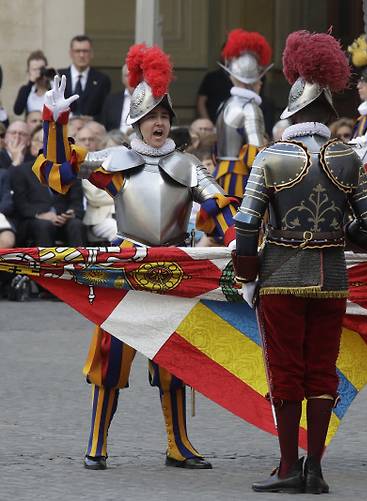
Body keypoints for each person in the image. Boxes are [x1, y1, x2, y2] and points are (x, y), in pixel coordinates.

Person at [32, 44, 237, 470]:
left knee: (175, 362)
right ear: (137, 123)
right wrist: (56, 122)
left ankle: (178, 444)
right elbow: (58, 174)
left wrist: (241, 242)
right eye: (151, 117)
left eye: (164, 116)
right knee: (110, 362)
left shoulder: (188, 165)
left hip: (176, 268)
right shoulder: (115, 161)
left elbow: (220, 208)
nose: (159, 123)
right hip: (128, 268)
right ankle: (96, 444)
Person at [232, 30, 367, 494]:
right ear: (326, 116)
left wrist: (247, 275)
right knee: (322, 371)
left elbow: (245, 227)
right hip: (331, 279)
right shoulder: (346, 158)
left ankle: (286, 467)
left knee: (285, 372)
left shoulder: (272, 158)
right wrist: (346, 237)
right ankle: (315, 467)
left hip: (279, 276)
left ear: (294, 114)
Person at [215, 29, 271, 199]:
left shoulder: (225, 104)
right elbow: (256, 154)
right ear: (254, 79)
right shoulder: (250, 107)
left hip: (221, 171)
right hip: (241, 179)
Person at [12, 127, 85, 246]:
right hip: (35, 220)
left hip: (63, 219)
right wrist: (40, 215)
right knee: (44, 225)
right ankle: (46, 264)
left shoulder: (68, 169)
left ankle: (81, 263)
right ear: (34, 146)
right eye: (43, 142)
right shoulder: (21, 171)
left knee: (76, 224)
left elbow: (76, 202)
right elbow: (20, 204)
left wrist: (72, 213)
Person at [59, 35, 111, 118]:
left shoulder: (102, 80)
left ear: (91, 54)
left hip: (91, 128)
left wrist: (92, 119)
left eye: (85, 51)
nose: (82, 55)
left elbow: (106, 111)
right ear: (71, 53)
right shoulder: (59, 77)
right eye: (77, 51)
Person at [13, 50, 53, 117]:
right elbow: (17, 111)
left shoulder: (54, 87)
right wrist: (31, 82)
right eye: (34, 69)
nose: (39, 72)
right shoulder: (26, 89)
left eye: (41, 69)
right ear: (28, 71)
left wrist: (52, 76)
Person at [100, 64, 133, 133]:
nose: (131, 79)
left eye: (134, 75)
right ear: (123, 79)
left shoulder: (149, 99)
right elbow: (104, 125)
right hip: (116, 140)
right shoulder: (111, 100)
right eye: (127, 75)